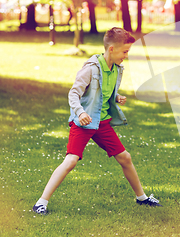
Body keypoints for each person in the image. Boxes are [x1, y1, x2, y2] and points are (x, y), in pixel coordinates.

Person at [32, 27, 162, 215]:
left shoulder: (116, 69)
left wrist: (116, 97)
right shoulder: (91, 69)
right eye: (125, 51)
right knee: (71, 161)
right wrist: (80, 112)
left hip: (102, 123)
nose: (126, 55)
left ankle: (141, 198)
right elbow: (74, 94)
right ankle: (41, 202)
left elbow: (103, 90)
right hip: (84, 123)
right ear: (111, 49)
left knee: (125, 157)